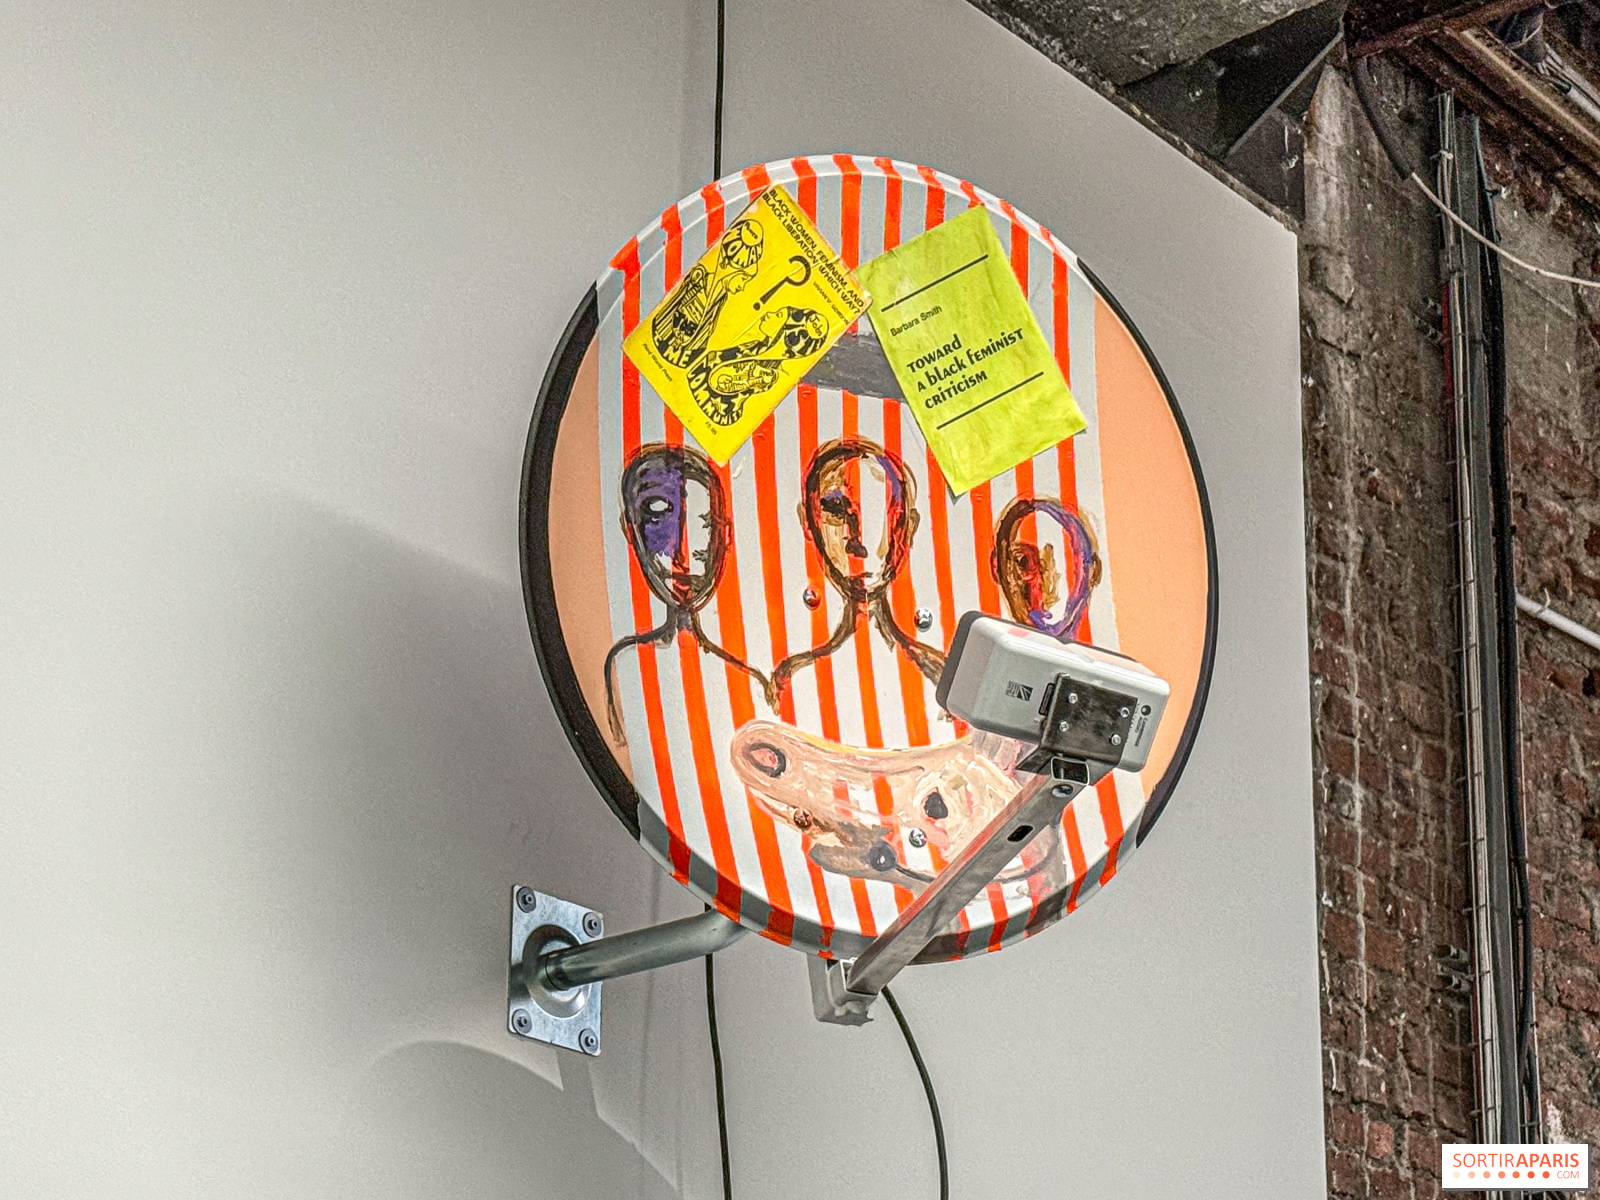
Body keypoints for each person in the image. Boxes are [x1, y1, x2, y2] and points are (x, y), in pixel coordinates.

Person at [603, 443, 772, 743]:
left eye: (705, 522)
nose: (682, 552)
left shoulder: (750, 682)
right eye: (658, 515)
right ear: (630, 529)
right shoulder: (624, 665)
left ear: (724, 536)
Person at [773, 437, 944, 693]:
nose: (857, 541)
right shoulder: (791, 682)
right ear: (808, 522)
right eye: (836, 510)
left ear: (908, 528)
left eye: (883, 512)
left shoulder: (939, 680)